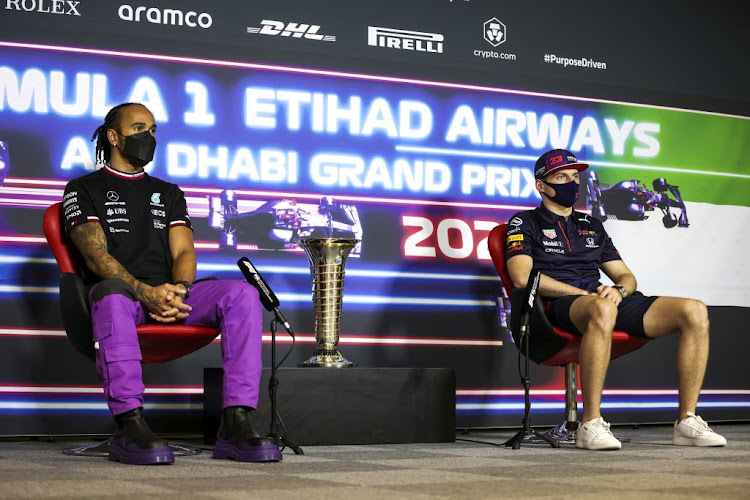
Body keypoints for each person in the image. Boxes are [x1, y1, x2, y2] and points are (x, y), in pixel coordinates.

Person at [62, 102, 282, 464]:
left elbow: (184, 253)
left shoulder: (168, 192)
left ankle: (235, 421)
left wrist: (177, 290)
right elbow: (95, 257)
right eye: (138, 129)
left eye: (152, 130)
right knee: (113, 294)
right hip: (122, 298)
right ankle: (129, 424)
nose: (148, 137)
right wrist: (145, 293)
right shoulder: (83, 189)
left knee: (242, 294)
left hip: (170, 297)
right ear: (114, 137)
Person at [504, 148, 726, 451]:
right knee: (601, 308)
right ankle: (590, 423)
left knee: (694, 311)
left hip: (602, 303)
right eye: (561, 177)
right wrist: (583, 294)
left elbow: (627, 277)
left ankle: (686, 421)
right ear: (541, 185)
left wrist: (619, 291)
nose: (571, 183)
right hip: (555, 308)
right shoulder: (523, 223)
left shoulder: (591, 225)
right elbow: (522, 278)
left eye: (574, 177)